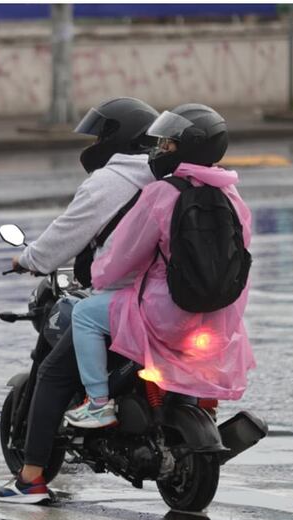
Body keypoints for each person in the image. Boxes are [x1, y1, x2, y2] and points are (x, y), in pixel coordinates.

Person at [0, 97, 159, 504]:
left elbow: (66, 234)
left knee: (52, 373)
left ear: (117, 138)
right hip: (171, 302)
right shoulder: (167, 178)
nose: (96, 142)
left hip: (124, 299)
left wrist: (28, 259)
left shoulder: (109, 181)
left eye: (102, 134)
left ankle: (31, 479)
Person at [65, 104, 255, 429]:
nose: (161, 149)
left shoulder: (162, 193)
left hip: (166, 313)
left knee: (84, 315)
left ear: (188, 147)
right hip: (218, 314)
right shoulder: (231, 194)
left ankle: (98, 404)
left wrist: (99, 277)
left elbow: (122, 254)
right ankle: (204, 406)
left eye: (168, 143)